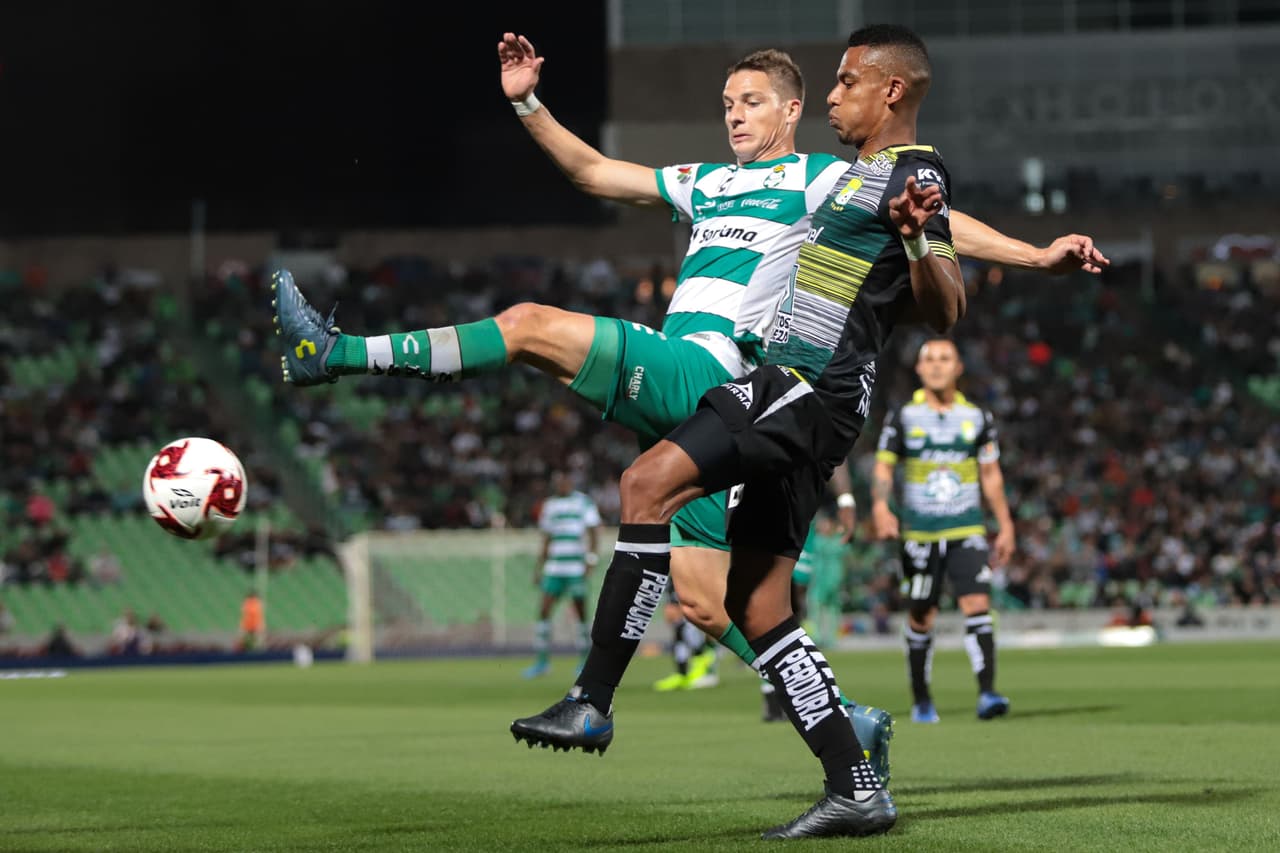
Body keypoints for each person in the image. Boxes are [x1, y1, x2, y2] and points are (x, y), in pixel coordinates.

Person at [274, 33, 1105, 784]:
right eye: (727, 103)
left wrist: (1032, 254)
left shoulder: (822, 177)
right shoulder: (706, 183)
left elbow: (933, 219)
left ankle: (337, 354)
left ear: (790, 111)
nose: (735, 115)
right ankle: (846, 723)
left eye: (751, 102)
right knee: (711, 599)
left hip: (718, 369)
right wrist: (528, 104)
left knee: (529, 327)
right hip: (714, 399)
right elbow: (594, 172)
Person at [512, 25, 963, 838]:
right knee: (754, 605)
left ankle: (592, 698)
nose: (832, 96)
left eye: (847, 82)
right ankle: (856, 786)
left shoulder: (912, 174)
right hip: (814, 399)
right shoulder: (849, 178)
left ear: (891, 91)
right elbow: (599, 173)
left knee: (646, 482)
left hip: (804, 384)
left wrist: (921, 236)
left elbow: (946, 308)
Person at [871, 337, 1015, 723]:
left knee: (977, 604)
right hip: (919, 532)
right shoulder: (903, 416)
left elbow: (991, 474)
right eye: (930, 359)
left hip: (966, 527)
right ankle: (921, 699)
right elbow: (884, 466)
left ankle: (987, 693)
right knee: (922, 615)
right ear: (919, 369)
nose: (936, 365)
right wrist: (881, 506)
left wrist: (1005, 524)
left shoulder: (977, 417)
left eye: (945, 358)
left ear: (958, 368)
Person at [524, 471, 601, 678]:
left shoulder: (583, 502)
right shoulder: (550, 505)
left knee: (581, 612)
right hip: (555, 567)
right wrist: (539, 568)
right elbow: (546, 538)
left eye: (564, 481)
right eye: (558, 481)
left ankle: (585, 661)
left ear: (571, 482)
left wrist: (591, 559)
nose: (561, 485)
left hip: (576, 566)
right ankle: (542, 662)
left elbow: (594, 531)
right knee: (544, 610)